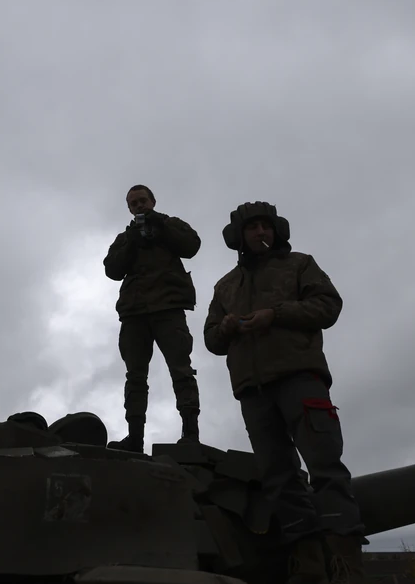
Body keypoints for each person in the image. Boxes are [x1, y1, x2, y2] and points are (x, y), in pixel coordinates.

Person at [203, 201, 365, 583]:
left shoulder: (299, 265)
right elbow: (211, 339)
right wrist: (227, 327)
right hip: (252, 390)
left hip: (300, 378)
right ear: (239, 236)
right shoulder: (225, 286)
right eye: (253, 227)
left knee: (325, 466)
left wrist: (275, 314)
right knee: (278, 477)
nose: (261, 232)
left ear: (276, 231)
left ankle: (344, 564)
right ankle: (307, 565)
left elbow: (328, 305)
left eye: (266, 226)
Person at [102, 184, 202, 453]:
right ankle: (135, 438)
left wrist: (161, 226)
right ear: (129, 208)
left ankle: (190, 433)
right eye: (133, 203)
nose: (139, 206)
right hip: (134, 313)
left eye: (142, 200)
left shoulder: (170, 225)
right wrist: (132, 242)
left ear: (153, 201)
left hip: (168, 309)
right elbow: (111, 270)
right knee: (135, 377)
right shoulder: (125, 237)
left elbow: (192, 245)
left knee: (181, 370)